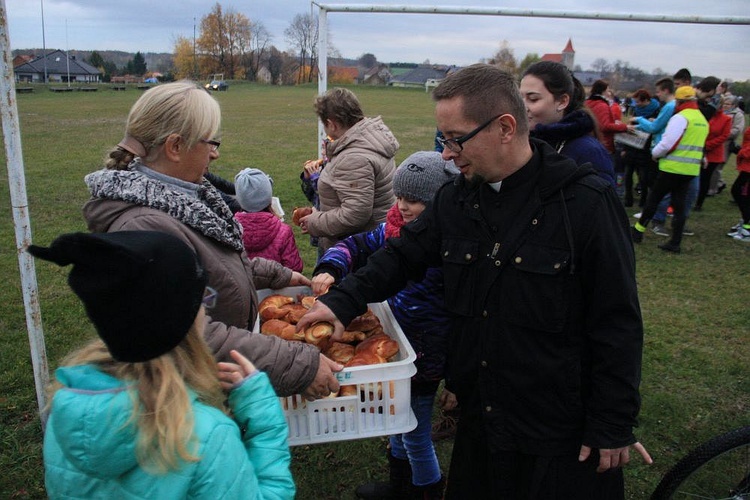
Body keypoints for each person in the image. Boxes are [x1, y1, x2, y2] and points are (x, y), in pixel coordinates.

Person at [298, 64, 650, 499]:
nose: (446, 153)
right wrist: (341, 301)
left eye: (455, 139)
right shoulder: (457, 198)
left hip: (558, 427)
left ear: (505, 127)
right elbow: (402, 256)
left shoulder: (584, 204)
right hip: (481, 418)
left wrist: (612, 421)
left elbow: (617, 321)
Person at [82, 81, 342, 401]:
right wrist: (298, 363)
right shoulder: (145, 227)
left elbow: (211, 267)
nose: (215, 153)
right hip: (188, 400)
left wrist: (277, 274)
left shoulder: (180, 201)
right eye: (210, 142)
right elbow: (191, 336)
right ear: (175, 147)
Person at [32, 230, 294, 499]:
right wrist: (264, 423)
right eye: (203, 298)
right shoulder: (206, 436)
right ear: (183, 319)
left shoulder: (64, 413)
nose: (206, 308)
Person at [312, 151, 458, 499]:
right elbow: (357, 244)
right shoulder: (393, 225)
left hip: (426, 353)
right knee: (393, 414)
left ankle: (427, 489)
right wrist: (331, 266)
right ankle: (398, 483)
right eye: (400, 196)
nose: (404, 206)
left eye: (416, 201)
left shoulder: (445, 244)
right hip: (396, 342)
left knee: (415, 430)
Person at [299, 87, 399, 255]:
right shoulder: (370, 139)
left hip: (356, 251)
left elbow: (355, 214)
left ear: (331, 124)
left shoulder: (354, 158)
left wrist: (315, 222)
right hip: (370, 242)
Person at [632, 86, 709, 253]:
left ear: (679, 101)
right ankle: (675, 241)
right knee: (680, 206)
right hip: (690, 170)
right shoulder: (702, 120)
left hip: (671, 168)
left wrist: (655, 153)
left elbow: (668, 143)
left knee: (654, 199)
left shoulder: (680, 118)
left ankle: (637, 232)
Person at [520, 61, 615, 186]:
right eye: (519, 98)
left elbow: (600, 202)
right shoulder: (525, 142)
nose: (522, 107)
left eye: (533, 99)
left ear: (562, 102)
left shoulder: (589, 152)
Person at [234, 168, 303, 272]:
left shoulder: (229, 230)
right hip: (277, 286)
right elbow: (294, 268)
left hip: (243, 286)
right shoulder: (283, 231)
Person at [627, 78, 676, 211]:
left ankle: (653, 212)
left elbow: (654, 128)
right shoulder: (671, 106)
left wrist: (639, 119)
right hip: (659, 147)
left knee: (654, 182)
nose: (657, 94)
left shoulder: (669, 106)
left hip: (659, 147)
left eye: (659, 91)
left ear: (666, 90)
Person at [694, 96, 731, 211]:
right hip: (698, 149)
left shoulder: (726, 119)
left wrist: (707, 145)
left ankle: (699, 203)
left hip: (713, 153)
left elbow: (724, 136)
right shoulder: (703, 115)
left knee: (705, 178)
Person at [585, 79, 628, 162]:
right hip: (603, 144)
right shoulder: (602, 105)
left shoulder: (587, 103)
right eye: (608, 91)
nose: (609, 93)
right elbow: (604, 125)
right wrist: (624, 127)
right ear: (602, 91)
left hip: (588, 142)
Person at [712, 95, 746, 195]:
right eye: (724, 104)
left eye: (728, 104)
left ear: (734, 105)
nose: (725, 106)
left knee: (718, 166)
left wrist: (724, 134)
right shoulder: (721, 112)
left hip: (726, 143)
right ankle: (719, 184)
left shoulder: (738, 115)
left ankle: (714, 188)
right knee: (713, 166)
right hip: (717, 142)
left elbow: (737, 130)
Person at [728, 126, 750, 242]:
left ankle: (747, 228)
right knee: (740, 194)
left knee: (741, 194)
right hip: (746, 167)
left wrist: (740, 151)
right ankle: (745, 221)